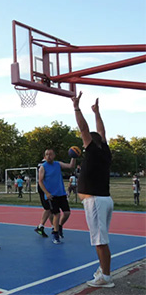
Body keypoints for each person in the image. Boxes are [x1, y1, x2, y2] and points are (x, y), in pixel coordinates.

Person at [72, 92, 115, 288]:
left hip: (96, 201)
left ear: (90, 141)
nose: (83, 141)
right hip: (103, 199)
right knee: (100, 239)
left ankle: (105, 277)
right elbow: (101, 131)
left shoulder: (93, 150)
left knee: (99, 240)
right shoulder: (104, 150)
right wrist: (97, 113)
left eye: (86, 139)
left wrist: (76, 107)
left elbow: (84, 128)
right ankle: (103, 270)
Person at [39, 148, 76, 244]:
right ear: (44, 156)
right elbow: (40, 181)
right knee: (57, 214)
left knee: (67, 213)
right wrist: (46, 193)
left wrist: (74, 156)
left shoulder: (57, 164)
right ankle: (55, 235)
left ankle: (59, 226)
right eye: (46, 154)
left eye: (50, 154)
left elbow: (71, 166)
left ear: (54, 155)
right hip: (51, 195)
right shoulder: (43, 167)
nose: (48, 156)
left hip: (61, 193)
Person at [34, 160, 54, 238]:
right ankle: (40, 226)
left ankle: (54, 227)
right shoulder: (44, 165)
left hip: (45, 187)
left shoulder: (46, 164)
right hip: (44, 188)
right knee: (48, 208)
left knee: (51, 209)